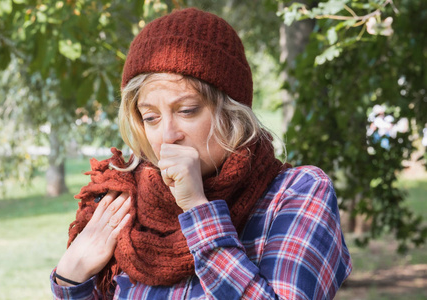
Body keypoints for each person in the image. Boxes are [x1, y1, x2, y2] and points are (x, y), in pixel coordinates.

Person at [51, 7, 352, 300]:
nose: (168, 135)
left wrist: (196, 207)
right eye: (150, 117)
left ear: (232, 112)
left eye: (187, 110)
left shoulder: (298, 192)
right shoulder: (125, 201)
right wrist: (70, 279)